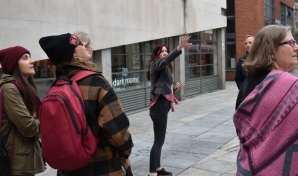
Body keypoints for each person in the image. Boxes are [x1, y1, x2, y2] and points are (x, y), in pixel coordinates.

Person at [39, 31, 134, 176]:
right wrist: (126, 153)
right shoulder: (96, 82)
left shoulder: (55, 87)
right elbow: (118, 131)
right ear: (74, 55)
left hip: (68, 169)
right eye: (79, 45)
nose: (86, 47)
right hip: (102, 167)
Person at [233, 25, 298, 175]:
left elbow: (243, 133)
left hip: (251, 169)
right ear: (270, 51)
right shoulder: (291, 86)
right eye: (291, 43)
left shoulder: (247, 85)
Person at [147, 35, 191, 176]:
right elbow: (166, 60)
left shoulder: (164, 68)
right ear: (157, 54)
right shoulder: (156, 64)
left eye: (166, 51)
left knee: (159, 140)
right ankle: (152, 172)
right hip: (158, 107)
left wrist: (174, 89)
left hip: (162, 105)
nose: (165, 53)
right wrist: (179, 48)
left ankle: (158, 168)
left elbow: (163, 88)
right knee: (159, 141)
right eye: (162, 51)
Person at [0, 46, 46, 175]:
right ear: (14, 64)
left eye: (30, 57)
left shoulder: (26, 88)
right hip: (15, 161)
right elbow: (28, 126)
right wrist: (49, 122)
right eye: (25, 58)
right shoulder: (10, 88)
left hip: (25, 157)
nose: (32, 61)